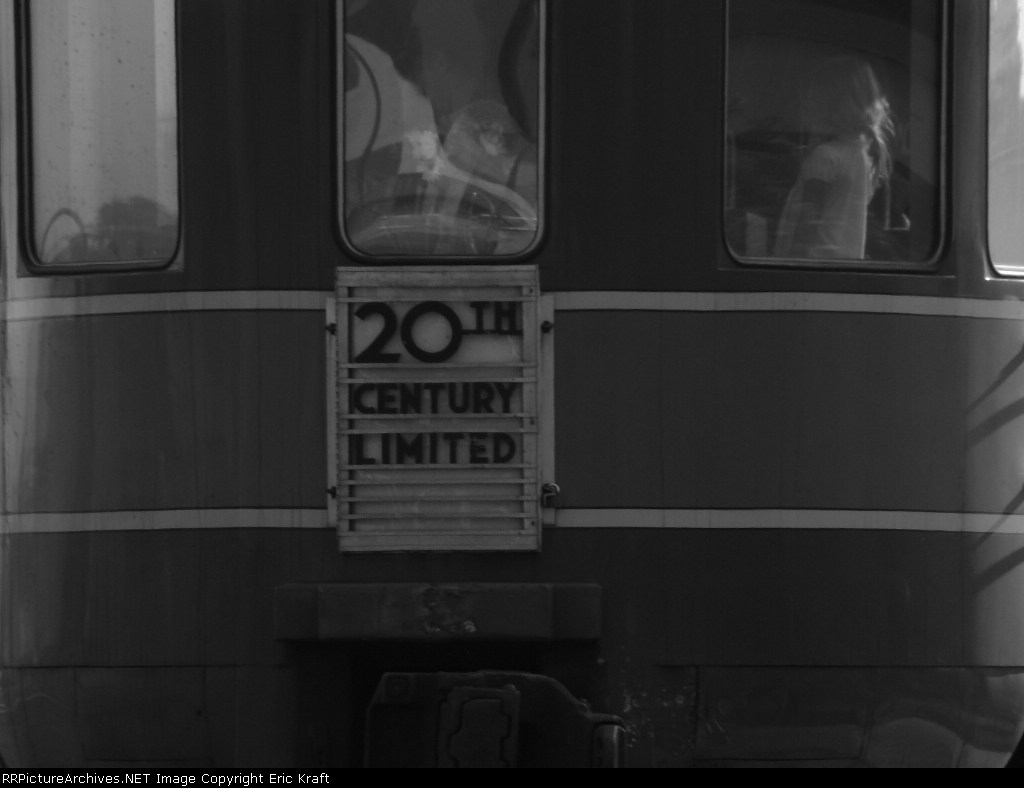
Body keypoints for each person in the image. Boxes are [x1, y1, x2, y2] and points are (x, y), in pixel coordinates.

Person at [773, 56, 895, 260]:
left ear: (828, 106)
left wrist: (791, 262)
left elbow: (807, 222)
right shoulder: (864, 155)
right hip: (844, 265)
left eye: (812, 101)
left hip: (812, 263)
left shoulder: (825, 157)